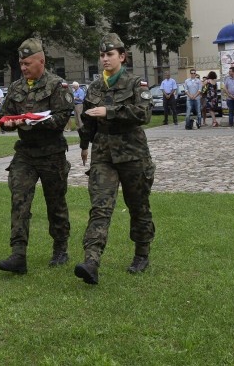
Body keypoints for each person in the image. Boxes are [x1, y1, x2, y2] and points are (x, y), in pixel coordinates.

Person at [74, 34, 155, 285]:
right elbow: (88, 119)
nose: (105, 59)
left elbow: (144, 114)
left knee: (138, 206)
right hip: (103, 155)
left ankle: (141, 253)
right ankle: (92, 261)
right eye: (102, 55)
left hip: (133, 154)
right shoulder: (95, 87)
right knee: (100, 207)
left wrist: (109, 111)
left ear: (122, 57)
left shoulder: (136, 84)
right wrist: (84, 144)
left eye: (110, 55)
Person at [0, 38, 73, 275]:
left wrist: (35, 120)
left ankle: (60, 248)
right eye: (21, 63)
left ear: (41, 61)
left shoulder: (57, 86)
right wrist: (9, 124)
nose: (24, 67)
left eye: (28, 63)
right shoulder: (17, 88)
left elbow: (62, 118)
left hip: (52, 154)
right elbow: (4, 116)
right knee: (19, 200)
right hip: (25, 154)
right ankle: (18, 254)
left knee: (55, 203)